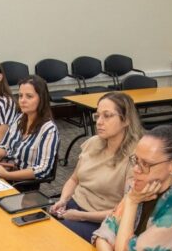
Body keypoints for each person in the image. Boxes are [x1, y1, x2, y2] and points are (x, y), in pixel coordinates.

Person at [50, 91, 142, 240]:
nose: (99, 121)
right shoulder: (93, 142)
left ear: (126, 120)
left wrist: (81, 216)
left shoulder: (135, 158)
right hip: (74, 207)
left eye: (107, 116)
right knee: (36, 223)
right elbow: (74, 179)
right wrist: (63, 200)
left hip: (101, 221)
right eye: (97, 115)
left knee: (54, 235)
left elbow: (124, 211)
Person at [0, 75, 59, 184]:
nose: (22, 100)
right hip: (7, 171)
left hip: (23, 183)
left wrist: (8, 175)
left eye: (29, 96)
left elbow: (43, 169)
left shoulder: (49, 129)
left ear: (41, 99)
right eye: (20, 96)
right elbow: (4, 145)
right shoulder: (19, 118)